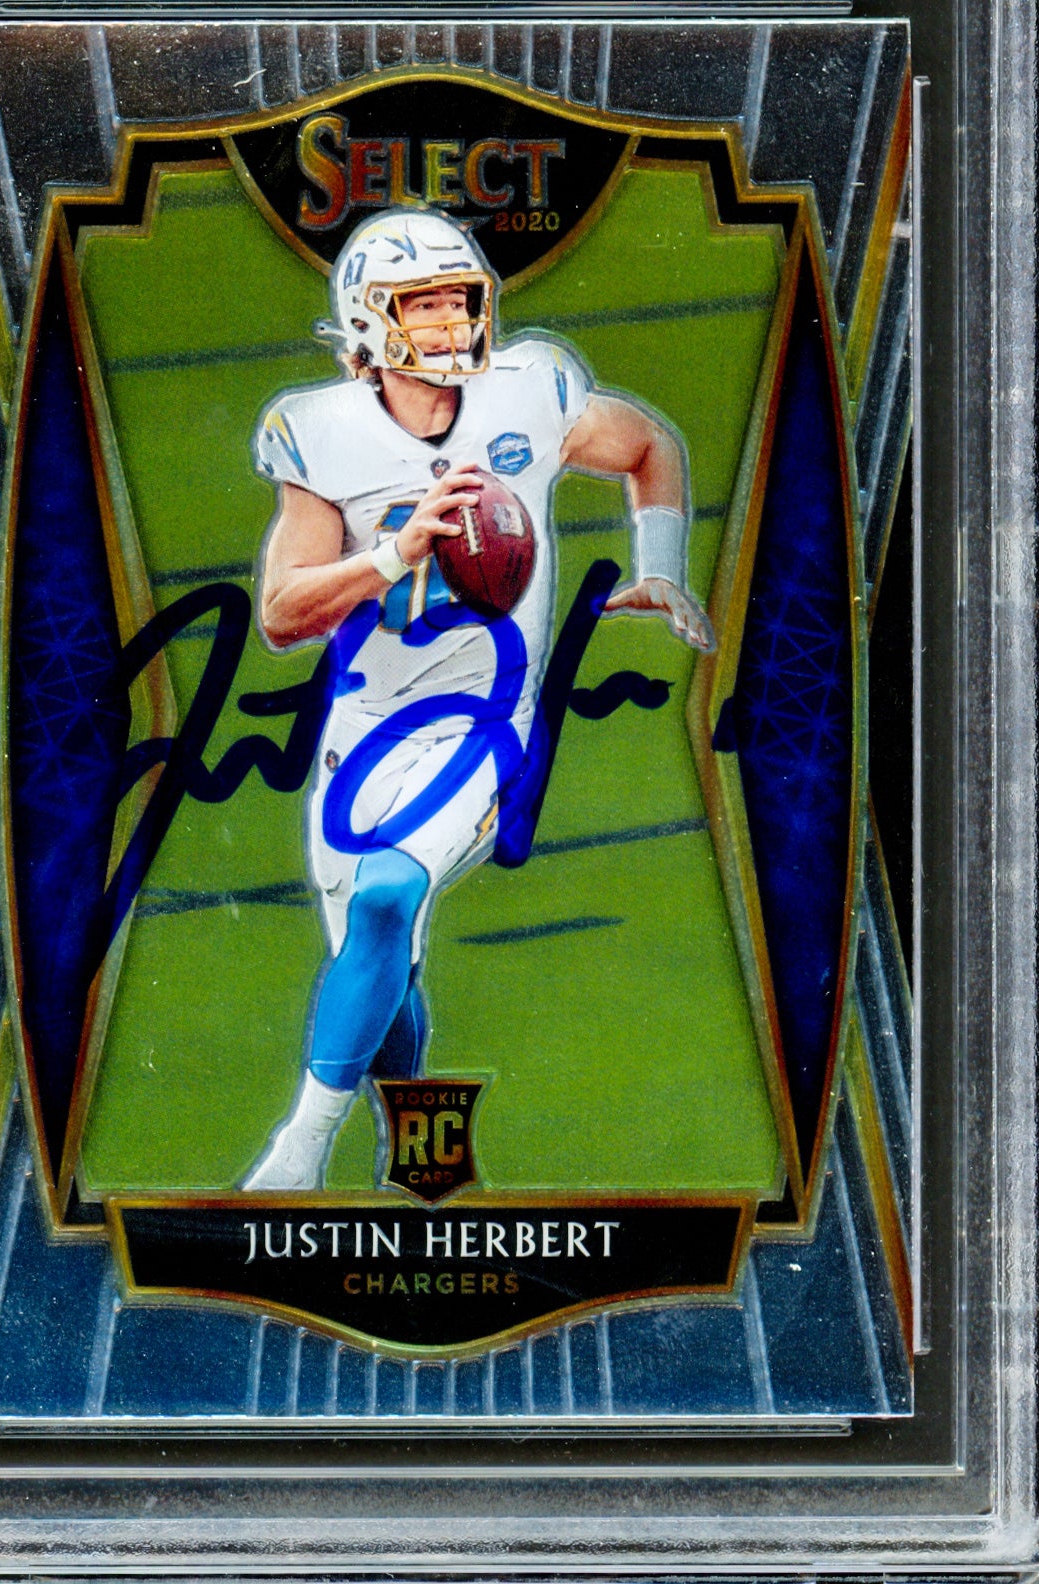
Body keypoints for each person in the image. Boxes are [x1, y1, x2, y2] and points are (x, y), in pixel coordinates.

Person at [243, 207, 713, 1191]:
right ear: (368, 320)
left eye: (460, 300)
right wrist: (394, 552)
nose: (453, 322)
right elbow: (282, 616)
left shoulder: (527, 390)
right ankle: (419, 1160)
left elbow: (648, 444)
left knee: (387, 896)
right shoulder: (319, 432)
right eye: (424, 305)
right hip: (362, 727)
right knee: (383, 956)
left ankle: (296, 1153)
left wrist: (661, 565)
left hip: (485, 718)